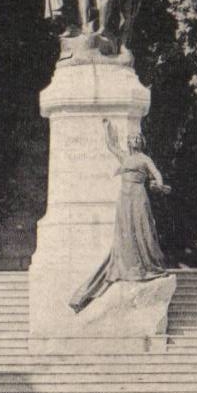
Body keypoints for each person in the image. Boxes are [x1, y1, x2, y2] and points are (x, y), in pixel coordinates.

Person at [70, 121, 170, 313]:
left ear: (141, 142)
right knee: (125, 231)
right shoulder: (124, 156)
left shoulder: (144, 159)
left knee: (142, 228)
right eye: (132, 138)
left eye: (138, 138)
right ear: (129, 142)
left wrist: (159, 183)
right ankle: (129, 265)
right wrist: (106, 127)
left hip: (138, 195)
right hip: (124, 198)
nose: (135, 141)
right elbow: (111, 146)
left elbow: (156, 173)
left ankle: (147, 264)